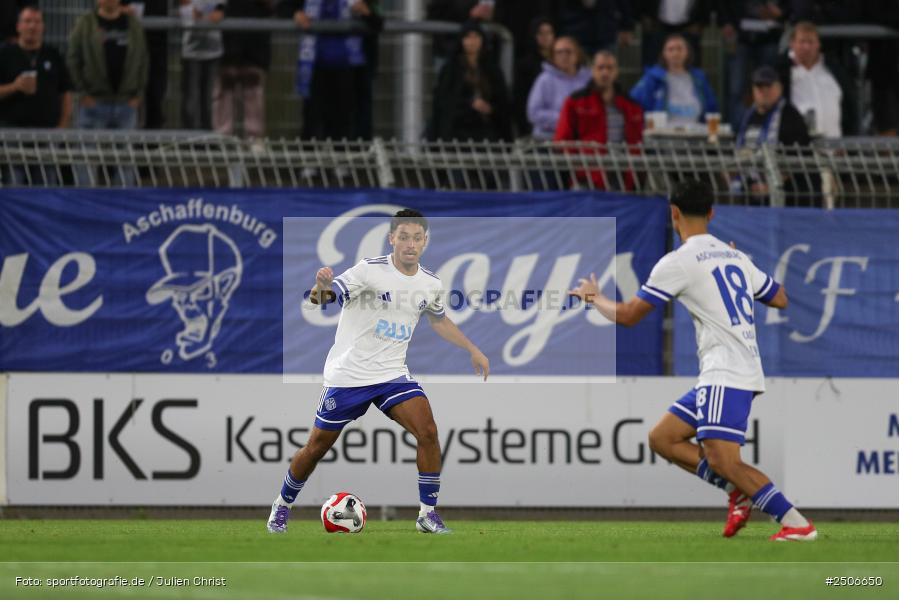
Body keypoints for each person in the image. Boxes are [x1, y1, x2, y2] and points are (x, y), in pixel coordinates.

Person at [569, 180, 818, 542]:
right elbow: (780, 299)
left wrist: (594, 298)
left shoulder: (678, 262)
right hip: (733, 370)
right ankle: (737, 491)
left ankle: (796, 522)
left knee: (725, 462)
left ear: (673, 213)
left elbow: (628, 315)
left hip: (726, 371)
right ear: (712, 213)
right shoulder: (734, 256)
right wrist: (743, 264)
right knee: (663, 438)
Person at [266, 209, 490, 535]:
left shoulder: (430, 282)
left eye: (416, 237)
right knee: (316, 447)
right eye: (404, 237)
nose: (410, 244)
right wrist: (320, 286)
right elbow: (323, 297)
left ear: (425, 241)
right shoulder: (369, 271)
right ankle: (281, 506)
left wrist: (472, 349)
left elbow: (438, 319)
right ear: (392, 239)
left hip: (392, 375)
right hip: (348, 376)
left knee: (427, 431)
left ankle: (427, 514)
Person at [67, 0, 148, 185]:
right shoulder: (85, 24)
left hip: (126, 102)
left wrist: (138, 93)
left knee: (126, 160)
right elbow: (73, 59)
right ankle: (85, 201)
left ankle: (122, 203)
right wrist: (82, 92)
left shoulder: (133, 24)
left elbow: (144, 59)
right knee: (86, 157)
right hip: (93, 101)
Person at [279, 0, 382, 141]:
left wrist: (367, 13)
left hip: (350, 70)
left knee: (345, 126)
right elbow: (283, 7)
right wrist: (295, 14)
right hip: (316, 66)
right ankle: (311, 160)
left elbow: (378, 22)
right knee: (312, 124)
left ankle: (344, 160)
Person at [0, 5, 74, 186]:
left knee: (46, 184)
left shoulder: (53, 54)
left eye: (37, 22)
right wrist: (15, 86)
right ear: (18, 26)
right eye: (27, 21)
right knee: (14, 184)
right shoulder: (5, 54)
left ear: (43, 26)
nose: (32, 26)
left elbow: (66, 93)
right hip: (13, 133)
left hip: (47, 134)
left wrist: (62, 127)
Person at [553, 50, 643, 189]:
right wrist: (578, 167)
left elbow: (637, 143)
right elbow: (563, 139)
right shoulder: (575, 102)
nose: (605, 73)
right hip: (587, 177)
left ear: (616, 72)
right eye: (600, 68)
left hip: (623, 175)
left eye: (609, 68)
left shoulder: (632, 106)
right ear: (592, 71)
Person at [427, 20, 512, 143]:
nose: (472, 42)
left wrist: (490, 109)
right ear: (462, 40)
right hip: (457, 133)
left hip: (487, 133)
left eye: (476, 37)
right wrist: (469, 104)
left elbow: (502, 102)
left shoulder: (492, 70)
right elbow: (444, 102)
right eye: (468, 37)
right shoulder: (451, 69)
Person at [774, 21, 856, 138]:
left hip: (835, 148)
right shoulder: (781, 71)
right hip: (796, 150)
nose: (807, 47)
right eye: (802, 42)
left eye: (811, 42)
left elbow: (850, 105)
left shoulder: (835, 70)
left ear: (818, 44)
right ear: (792, 43)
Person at [719, 1, 787, 128]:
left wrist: (781, 12)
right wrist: (726, 22)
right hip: (739, 36)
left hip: (769, 37)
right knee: (736, 89)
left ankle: (768, 128)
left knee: (768, 86)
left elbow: (788, 8)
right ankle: (738, 133)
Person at [629, 33, 718, 126]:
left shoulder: (699, 78)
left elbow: (712, 109)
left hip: (695, 132)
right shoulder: (652, 78)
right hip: (661, 134)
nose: (675, 53)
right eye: (670, 49)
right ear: (663, 53)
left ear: (687, 52)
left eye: (679, 49)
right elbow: (634, 104)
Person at [215, 0, 273, 140]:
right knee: (225, 88)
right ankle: (222, 138)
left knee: (253, 89)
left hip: (256, 36)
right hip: (227, 34)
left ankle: (254, 138)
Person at [526, 36, 590, 140]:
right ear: (553, 57)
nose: (564, 56)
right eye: (559, 52)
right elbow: (533, 113)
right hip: (548, 139)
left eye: (568, 51)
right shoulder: (544, 79)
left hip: (582, 139)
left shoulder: (589, 79)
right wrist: (566, 119)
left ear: (577, 54)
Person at [179, 0, 225, 130]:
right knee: (191, 99)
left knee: (210, 99)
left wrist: (201, 16)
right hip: (191, 53)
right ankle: (190, 139)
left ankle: (209, 139)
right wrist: (204, 16)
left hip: (214, 53)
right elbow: (188, 15)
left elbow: (218, 15)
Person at [513, 16, 555, 137]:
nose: (545, 37)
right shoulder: (524, 65)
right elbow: (520, 99)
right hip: (534, 126)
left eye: (549, 33)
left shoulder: (561, 64)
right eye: (541, 33)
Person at [638, 0, 710, 68]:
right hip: (657, 25)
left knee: (691, 63)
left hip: (689, 26)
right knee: (653, 62)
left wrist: (702, 22)